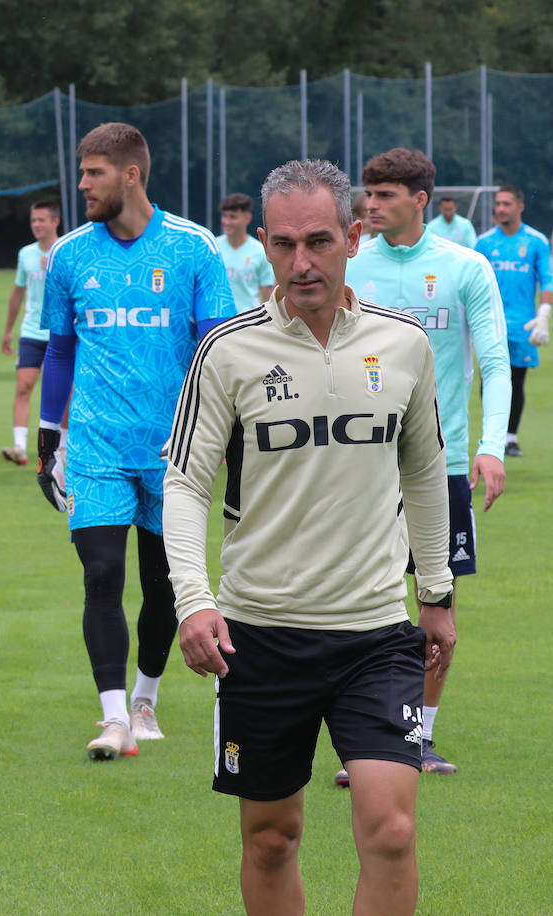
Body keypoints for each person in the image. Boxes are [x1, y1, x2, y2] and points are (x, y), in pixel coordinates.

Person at [163, 158, 454, 915]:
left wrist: (436, 592)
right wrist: (194, 602)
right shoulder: (226, 351)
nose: (302, 262)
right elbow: (187, 483)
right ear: (262, 242)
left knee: (390, 828)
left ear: (353, 238)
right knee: (270, 837)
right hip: (259, 634)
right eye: (285, 244)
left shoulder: (403, 346)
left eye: (319, 241)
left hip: (375, 632)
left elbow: (425, 472)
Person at [35, 121, 235, 759]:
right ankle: (114, 717)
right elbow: (61, 350)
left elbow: (219, 351)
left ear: (131, 174)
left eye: (93, 173)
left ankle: (146, 698)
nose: (83, 184)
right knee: (101, 572)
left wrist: (228, 438)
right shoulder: (68, 255)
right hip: (94, 445)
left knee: (161, 585)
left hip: (174, 451)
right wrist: (47, 432)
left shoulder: (194, 250)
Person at [344, 147, 509, 784]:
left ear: (419, 200)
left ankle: (419, 739)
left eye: (385, 195)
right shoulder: (353, 264)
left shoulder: (465, 267)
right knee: (364, 600)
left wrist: (491, 446)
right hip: (360, 463)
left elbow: (494, 364)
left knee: (435, 607)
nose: (372, 205)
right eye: (369, 194)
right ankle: (370, 737)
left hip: (441, 470)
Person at [475, 185, 553, 457]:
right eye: (498, 204)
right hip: (490, 322)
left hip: (523, 324)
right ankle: (490, 436)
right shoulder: (485, 242)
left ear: (520, 206)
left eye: (506, 204)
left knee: (516, 379)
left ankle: (510, 437)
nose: (500, 209)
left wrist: (544, 314)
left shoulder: (536, 241)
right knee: (490, 379)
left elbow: (547, 278)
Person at [0, 199, 61, 465]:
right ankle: (19, 447)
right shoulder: (26, 254)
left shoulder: (66, 250)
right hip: (31, 332)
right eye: (34, 220)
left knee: (63, 392)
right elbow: (17, 294)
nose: (36, 224)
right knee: (24, 386)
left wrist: (54, 267)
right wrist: (7, 331)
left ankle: (63, 450)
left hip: (60, 332)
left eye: (42, 220)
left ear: (55, 222)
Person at [216, 192, 275, 314]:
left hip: (248, 322)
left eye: (232, 217)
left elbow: (268, 296)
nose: (226, 222)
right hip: (219, 321)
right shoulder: (214, 248)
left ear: (247, 218)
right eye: (224, 216)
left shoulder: (260, 251)